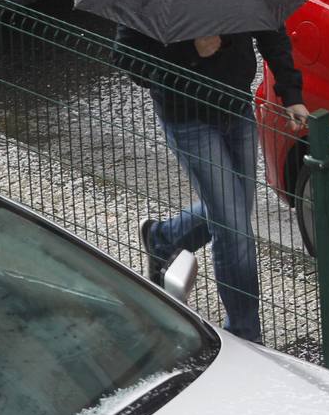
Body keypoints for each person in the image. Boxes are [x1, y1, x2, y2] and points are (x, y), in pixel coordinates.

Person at [116, 26, 308, 343]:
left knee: (233, 211)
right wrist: (190, 53)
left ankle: (164, 239)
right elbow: (129, 59)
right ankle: (245, 334)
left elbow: (271, 31)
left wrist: (292, 94)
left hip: (236, 107)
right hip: (188, 119)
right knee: (234, 230)